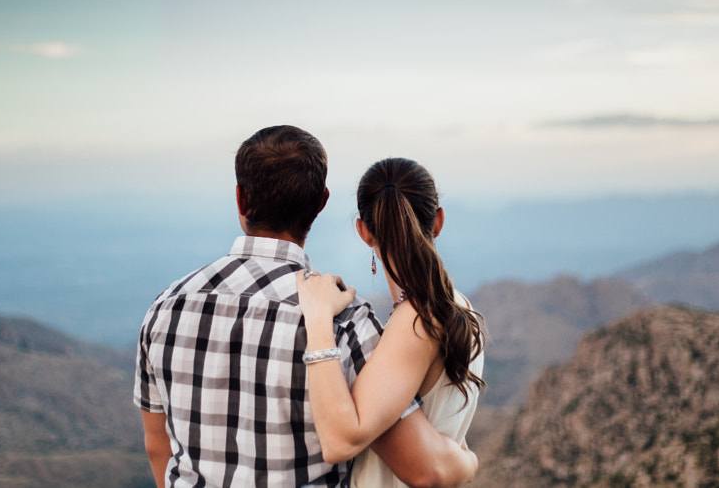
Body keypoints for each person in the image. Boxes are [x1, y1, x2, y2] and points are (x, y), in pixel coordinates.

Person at [134, 126, 477, 488]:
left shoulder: (166, 308)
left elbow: (158, 446)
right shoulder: (347, 322)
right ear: (320, 203)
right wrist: (468, 458)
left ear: (240, 198)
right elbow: (421, 466)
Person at [297, 157, 486, 488]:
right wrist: (463, 460)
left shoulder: (418, 321)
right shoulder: (457, 307)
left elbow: (340, 441)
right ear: (438, 221)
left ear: (364, 231)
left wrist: (317, 318)